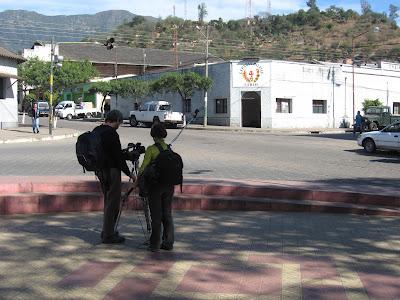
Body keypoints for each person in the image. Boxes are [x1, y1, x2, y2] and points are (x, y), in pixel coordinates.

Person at [95, 110, 133, 244]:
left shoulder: (97, 130)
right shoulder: (112, 134)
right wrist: (130, 173)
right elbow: (117, 158)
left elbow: (110, 153)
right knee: (113, 203)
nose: (119, 125)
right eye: (119, 122)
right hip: (112, 172)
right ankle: (109, 235)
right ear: (116, 120)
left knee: (108, 200)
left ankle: (107, 230)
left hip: (100, 171)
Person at [136, 123, 175, 252]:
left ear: (153, 135)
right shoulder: (168, 149)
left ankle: (154, 244)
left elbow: (143, 168)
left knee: (156, 216)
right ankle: (168, 242)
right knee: (167, 214)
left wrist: (137, 181)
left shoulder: (151, 149)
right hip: (169, 186)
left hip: (155, 187)